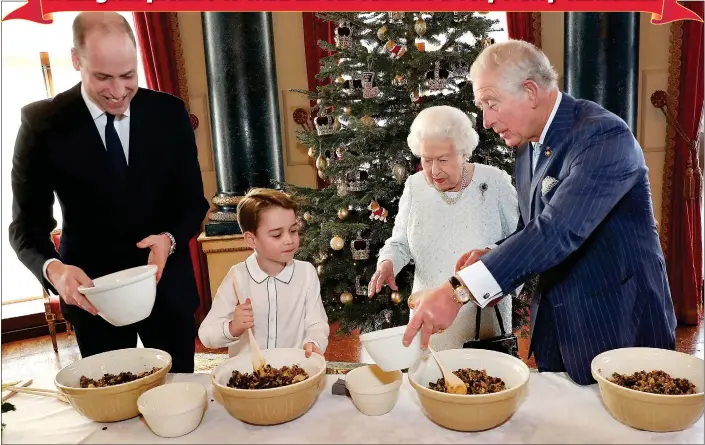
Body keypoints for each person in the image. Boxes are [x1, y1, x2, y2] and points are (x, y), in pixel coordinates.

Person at [401, 39, 677, 385]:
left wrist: (460, 290)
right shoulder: (528, 144)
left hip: (618, 322)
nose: (485, 121)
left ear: (530, 92)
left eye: (491, 104)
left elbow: (556, 231)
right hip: (559, 328)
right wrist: (495, 253)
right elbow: (533, 227)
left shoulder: (603, 137)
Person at [9, 12, 209, 373]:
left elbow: (193, 202)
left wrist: (169, 239)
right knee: (112, 411)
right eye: (103, 77)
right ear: (76, 60)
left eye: (128, 76)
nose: (118, 92)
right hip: (92, 298)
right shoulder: (42, 124)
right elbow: (26, 229)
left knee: (179, 405)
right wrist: (55, 272)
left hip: (167, 293)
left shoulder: (169, 113)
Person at [369, 105, 520, 351]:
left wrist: (503, 284)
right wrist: (388, 263)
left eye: (443, 160)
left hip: (483, 323)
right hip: (428, 320)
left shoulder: (495, 182)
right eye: (426, 160)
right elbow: (400, 243)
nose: (434, 170)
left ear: (464, 153)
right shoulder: (415, 186)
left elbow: (520, 245)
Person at [198, 188, 330, 358]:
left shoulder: (306, 273)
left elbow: (317, 323)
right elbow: (206, 334)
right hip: (248, 377)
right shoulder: (237, 276)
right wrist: (233, 327)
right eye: (277, 235)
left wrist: (314, 342)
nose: (289, 240)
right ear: (251, 239)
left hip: (293, 372)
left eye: (293, 230)